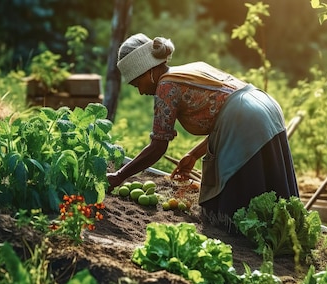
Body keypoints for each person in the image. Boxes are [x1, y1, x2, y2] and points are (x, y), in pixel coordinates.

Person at [107, 33, 299, 232]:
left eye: (137, 84)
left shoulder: (166, 86)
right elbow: (225, 118)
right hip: (264, 106)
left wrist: (119, 176)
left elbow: (158, 146)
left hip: (246, 118)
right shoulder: (190, 69)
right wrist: (193, 154)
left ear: (148, 72)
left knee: (226, 214)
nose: (140, 91)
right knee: (270, 196)